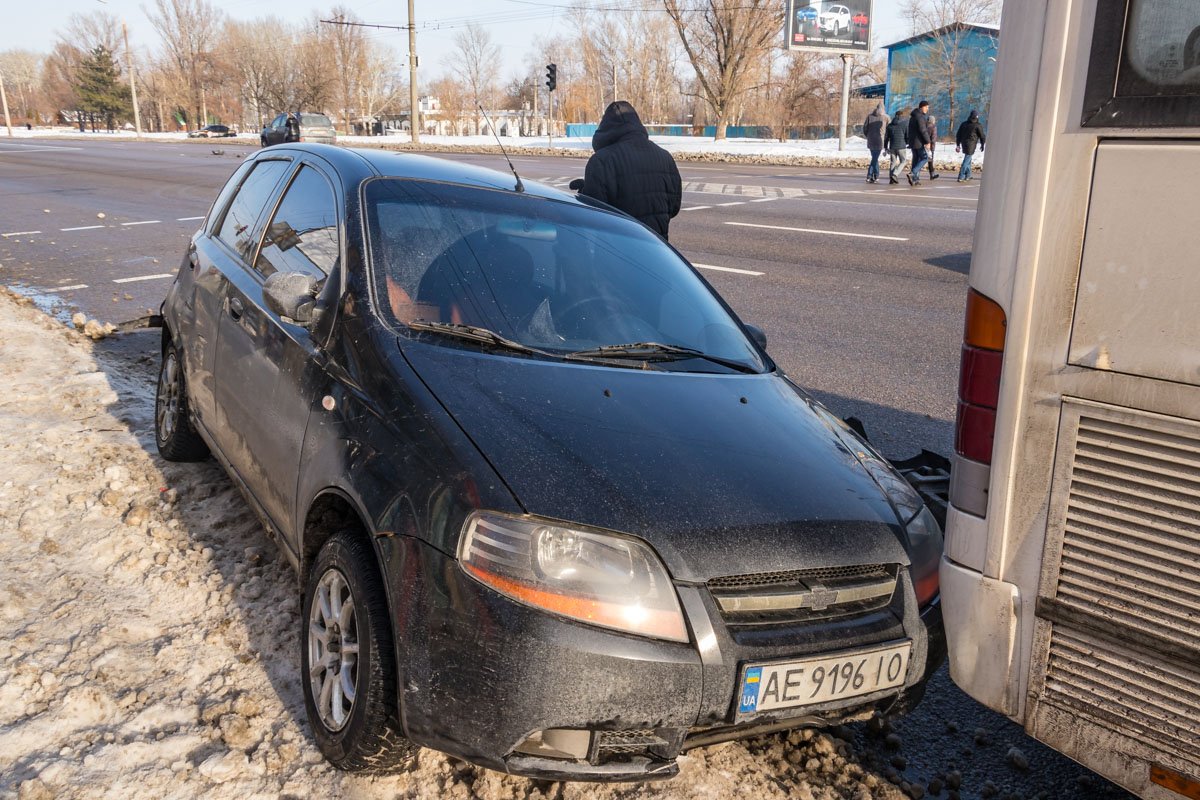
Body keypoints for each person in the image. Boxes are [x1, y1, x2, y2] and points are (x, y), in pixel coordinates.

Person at [579, 100, 682, 240]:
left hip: (619, 250)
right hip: (658, 250)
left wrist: (584, 193)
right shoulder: (665, 157)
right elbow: (674, 207)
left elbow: (595, 215)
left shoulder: (602, 161)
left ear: (605, 128)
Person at [955, 109, 987, 182]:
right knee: (966, 160)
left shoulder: (964, 124)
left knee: (968, 159)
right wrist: (982, 144)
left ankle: (968, 175)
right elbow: (982, 136)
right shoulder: (977, 125)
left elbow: (958, 134)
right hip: (971, 145)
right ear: (976, 117)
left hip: (964, 144)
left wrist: (958, 144)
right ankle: (961, 176)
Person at [863, 102, 889, 184]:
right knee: (875, 158)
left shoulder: (869, 116)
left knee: (874, 158)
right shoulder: (885, 117)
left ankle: (873, 176)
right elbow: (889, 129)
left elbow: (865, 128)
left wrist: (868, 135)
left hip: (871, 140)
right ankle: (872, 175)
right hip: (880, 140)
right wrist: (886, 138)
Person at [907, 100, 932, 186]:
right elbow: (923, 130)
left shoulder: (913, 117)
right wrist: (928, 141)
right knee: (925, 158)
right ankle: (912, 173)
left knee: (915, 160)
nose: (927, 109)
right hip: (919, 142)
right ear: (922, 107)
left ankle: (915, 179)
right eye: (927, 107)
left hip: (913, 142)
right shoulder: (920, 117)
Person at [884, 108, 910, 185]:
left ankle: (891, 179)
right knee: (903, 161)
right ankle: (895, 174)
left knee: (893, 162)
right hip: (901, 146)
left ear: (895, 116)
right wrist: (907, 142)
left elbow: (886, 137)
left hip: (892, 146)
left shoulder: (890, 125)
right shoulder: (905, 124)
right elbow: (907, 135)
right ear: (902, 116)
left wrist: (885, 146)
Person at [925, 114, 941, 180]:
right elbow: (933, 138)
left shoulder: (924, 126)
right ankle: (932, 174)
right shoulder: (933, 127)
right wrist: (933, 147)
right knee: (930, 160)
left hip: (923, 145)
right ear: (933, 121)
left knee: (920, 160)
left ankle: (916, 174)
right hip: (930, 146)